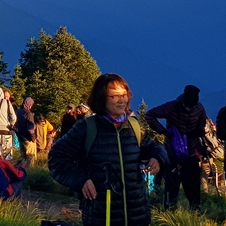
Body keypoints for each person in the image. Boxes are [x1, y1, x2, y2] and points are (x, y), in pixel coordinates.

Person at [49, 73, 167, 226]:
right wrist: (80, 180)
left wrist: (157, 157)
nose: (122, 100)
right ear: (101, 97)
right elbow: (56, 158)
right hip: (100, 215)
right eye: (115, 96)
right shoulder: (86, 128)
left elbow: (154, 147)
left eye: (124, 94)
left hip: (137, 215)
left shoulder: (134, 126)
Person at [145, 84, 207, 210]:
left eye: (191, 107)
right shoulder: (172, 107)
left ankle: (195, 209)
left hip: (190, 152)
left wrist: (198, 132)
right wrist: (165, 132)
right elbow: (150, 115)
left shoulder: (199, 108)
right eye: (187, 107)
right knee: (171, 185)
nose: (189, 109)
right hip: (173, 153)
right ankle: (169, 210)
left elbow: (202, 125)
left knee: (193, 185)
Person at [15, 97, 37, 164]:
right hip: (28, 139)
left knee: (23, 157)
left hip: (20, 137)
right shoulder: (29, 114)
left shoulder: (18, 112)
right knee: (30, 157)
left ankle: (20, 171)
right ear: (30, 105)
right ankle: (29, 172)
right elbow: (30, 129)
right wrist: (33, 138)